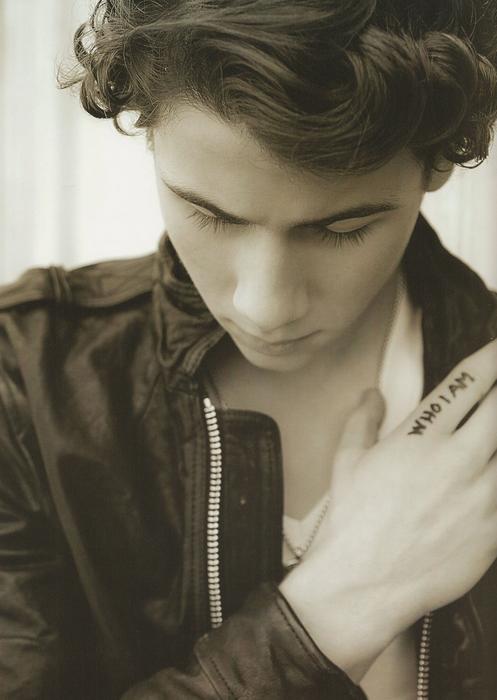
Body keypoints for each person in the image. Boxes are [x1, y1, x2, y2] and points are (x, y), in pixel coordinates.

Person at [1, 0, 497, 698]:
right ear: (147, 131)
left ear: (438, 162)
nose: (264, 305)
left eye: (341, 228)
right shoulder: (23, 380)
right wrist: (337, 608)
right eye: (209, 214)